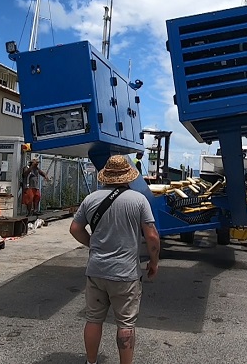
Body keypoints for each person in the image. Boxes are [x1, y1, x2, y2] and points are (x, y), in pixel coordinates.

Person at [70, 155, 160, 364]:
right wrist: (154, 262)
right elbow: (152, 236)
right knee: (125, 324)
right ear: (128, 177)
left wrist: (93, 244)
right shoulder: (138, 200)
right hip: (126, 274)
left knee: (93, 319)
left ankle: (90, 362)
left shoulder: (91, 199)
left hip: (96, 271)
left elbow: (75, 228)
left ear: (106, 177)